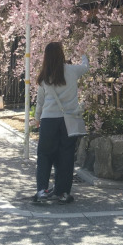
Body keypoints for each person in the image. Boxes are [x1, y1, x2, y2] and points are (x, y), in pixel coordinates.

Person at [33, 42, 89, 204]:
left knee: (44, 155)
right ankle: (63, 192)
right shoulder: (72, 71)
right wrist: (83, 53)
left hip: (49, 120)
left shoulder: (45, 76)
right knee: (65, 157)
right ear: (61, 55)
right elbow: (86, 67)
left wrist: (37, 118)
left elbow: (40, 102)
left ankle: (42, 190)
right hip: (68, 121)